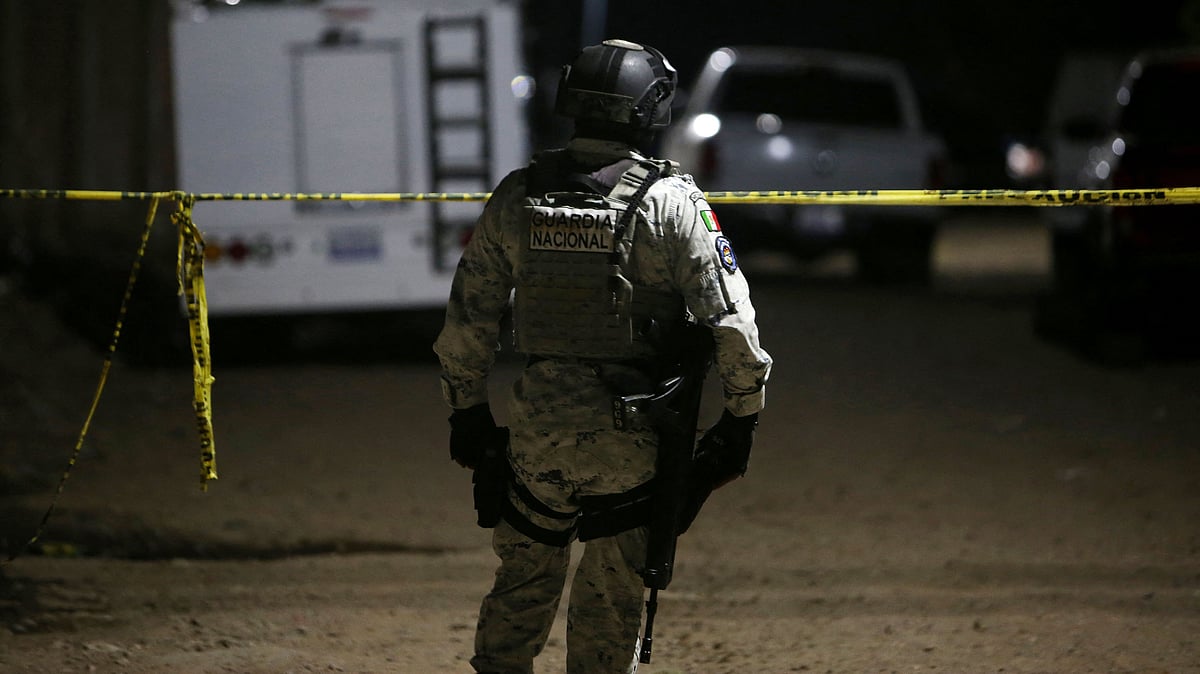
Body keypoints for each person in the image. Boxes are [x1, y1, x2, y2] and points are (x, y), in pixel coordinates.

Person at [433, 39, 772, 674]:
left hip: (536, 440)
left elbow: (468, 320)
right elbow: (732, 322)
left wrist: (466, 412)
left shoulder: (517, 196)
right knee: (610, 605)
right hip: (633, 442)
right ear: (648, 111)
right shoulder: (673, 203)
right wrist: (741, 417)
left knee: (521, 585)